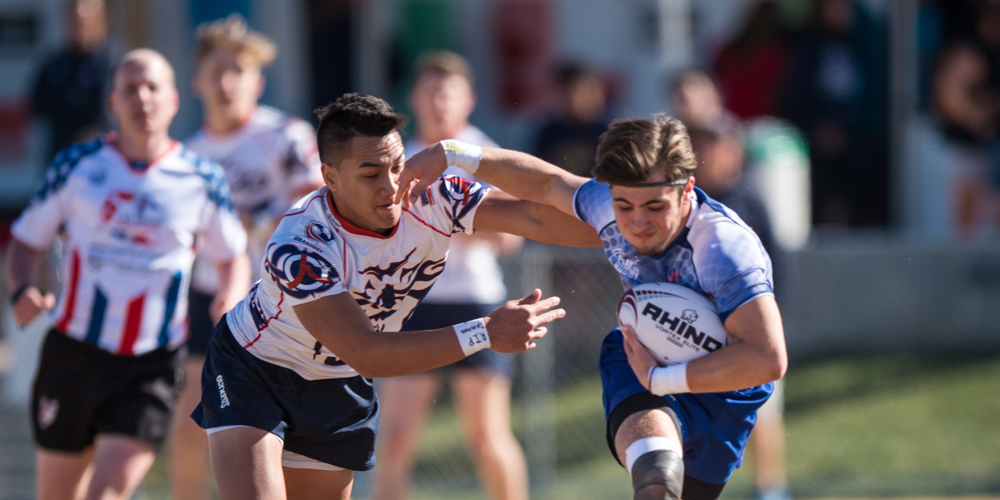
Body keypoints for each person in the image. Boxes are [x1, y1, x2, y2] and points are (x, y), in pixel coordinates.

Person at [191, 92, 602, 500]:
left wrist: (626, 224)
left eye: (398, 166)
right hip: (256, 369)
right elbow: (367, 353)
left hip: (338, 383)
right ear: (330, 177)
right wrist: (485, 332)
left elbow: (540, 213)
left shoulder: (434, 197)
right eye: (371, 174)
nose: (391, 186)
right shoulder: (301, 244)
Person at [398, 114, 787, 500]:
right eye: (624, 206)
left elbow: (768, 358)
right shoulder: (608, 204)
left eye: (655, 207)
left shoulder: (723, 249)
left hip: (723, 384)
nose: (637, 223)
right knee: (657, 481)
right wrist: (453, 154)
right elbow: (545, 186)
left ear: (687, 190)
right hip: (642, 352)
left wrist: (664, 379)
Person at [5, 49, 250, 500]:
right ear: (112, 101)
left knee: (105, 494)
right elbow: (25, 241)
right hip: (73, 355)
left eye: (152, 87)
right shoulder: (76, 165)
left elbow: (233, 257)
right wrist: (22, 289)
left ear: (173, 100)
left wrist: (227, 301)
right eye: (130, 88)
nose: (142, 98)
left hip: (150, 364)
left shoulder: (201, 178)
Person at [168, 15, 323, 500]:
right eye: (216, 70)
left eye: (237, 70)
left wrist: (247, 218)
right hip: (210, 297)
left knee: (292, 432)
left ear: (258, 81)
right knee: (191, 423)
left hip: (280, 301)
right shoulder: (185, 156)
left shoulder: (287, 136)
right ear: (197, 81)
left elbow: (316, 209)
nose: (225, 82)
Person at [371, 51, 528, 500]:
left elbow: (508, 237)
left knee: (485, 438)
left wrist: (445, 222)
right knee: (396, 438)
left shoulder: (483, 153)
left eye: (449, 93)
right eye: (431, 91)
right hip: (412, 302)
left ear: (468, 100)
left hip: (475, 301)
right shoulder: (399, 154)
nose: (439, 102)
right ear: (415, 99)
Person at [687, 125, 789, 500]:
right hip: (699, 332)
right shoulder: (691, 204)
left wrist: (771, 322)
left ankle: (771, 489)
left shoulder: (748, 200)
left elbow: (777, 264)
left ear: (733, 152)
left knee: (764, 411)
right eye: (700, 147)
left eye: (715, 147)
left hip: (750, 332)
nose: (707, 155)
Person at [30, 0, 111, 160]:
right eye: (73, 21)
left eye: (84, 21)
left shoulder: (112, 61)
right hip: (61, 154)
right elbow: (37, 105)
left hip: (103, 156)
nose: (78, 27)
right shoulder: (53, 63)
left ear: (100, 21)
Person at [532, 61, 609, 177]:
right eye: (563, 94)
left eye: (578, 93)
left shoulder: (606, 132)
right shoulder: (550, 133)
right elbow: (537, 174)